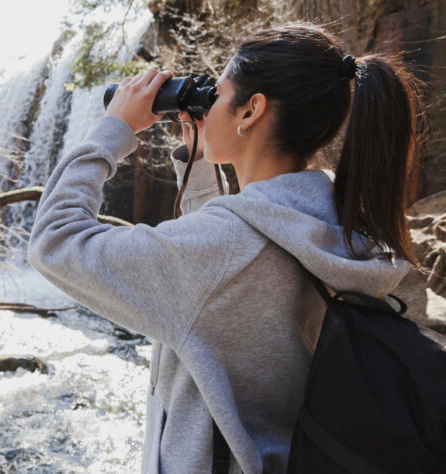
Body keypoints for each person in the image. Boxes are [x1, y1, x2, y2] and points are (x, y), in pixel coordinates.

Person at [27, 22, 424, 473]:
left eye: (217, 92)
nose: (208, 103)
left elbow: (55, 241)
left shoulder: (225, 250)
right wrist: (197, 163)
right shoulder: (340, 222)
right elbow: (225, 274)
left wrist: (112, 129)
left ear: (251, 110)